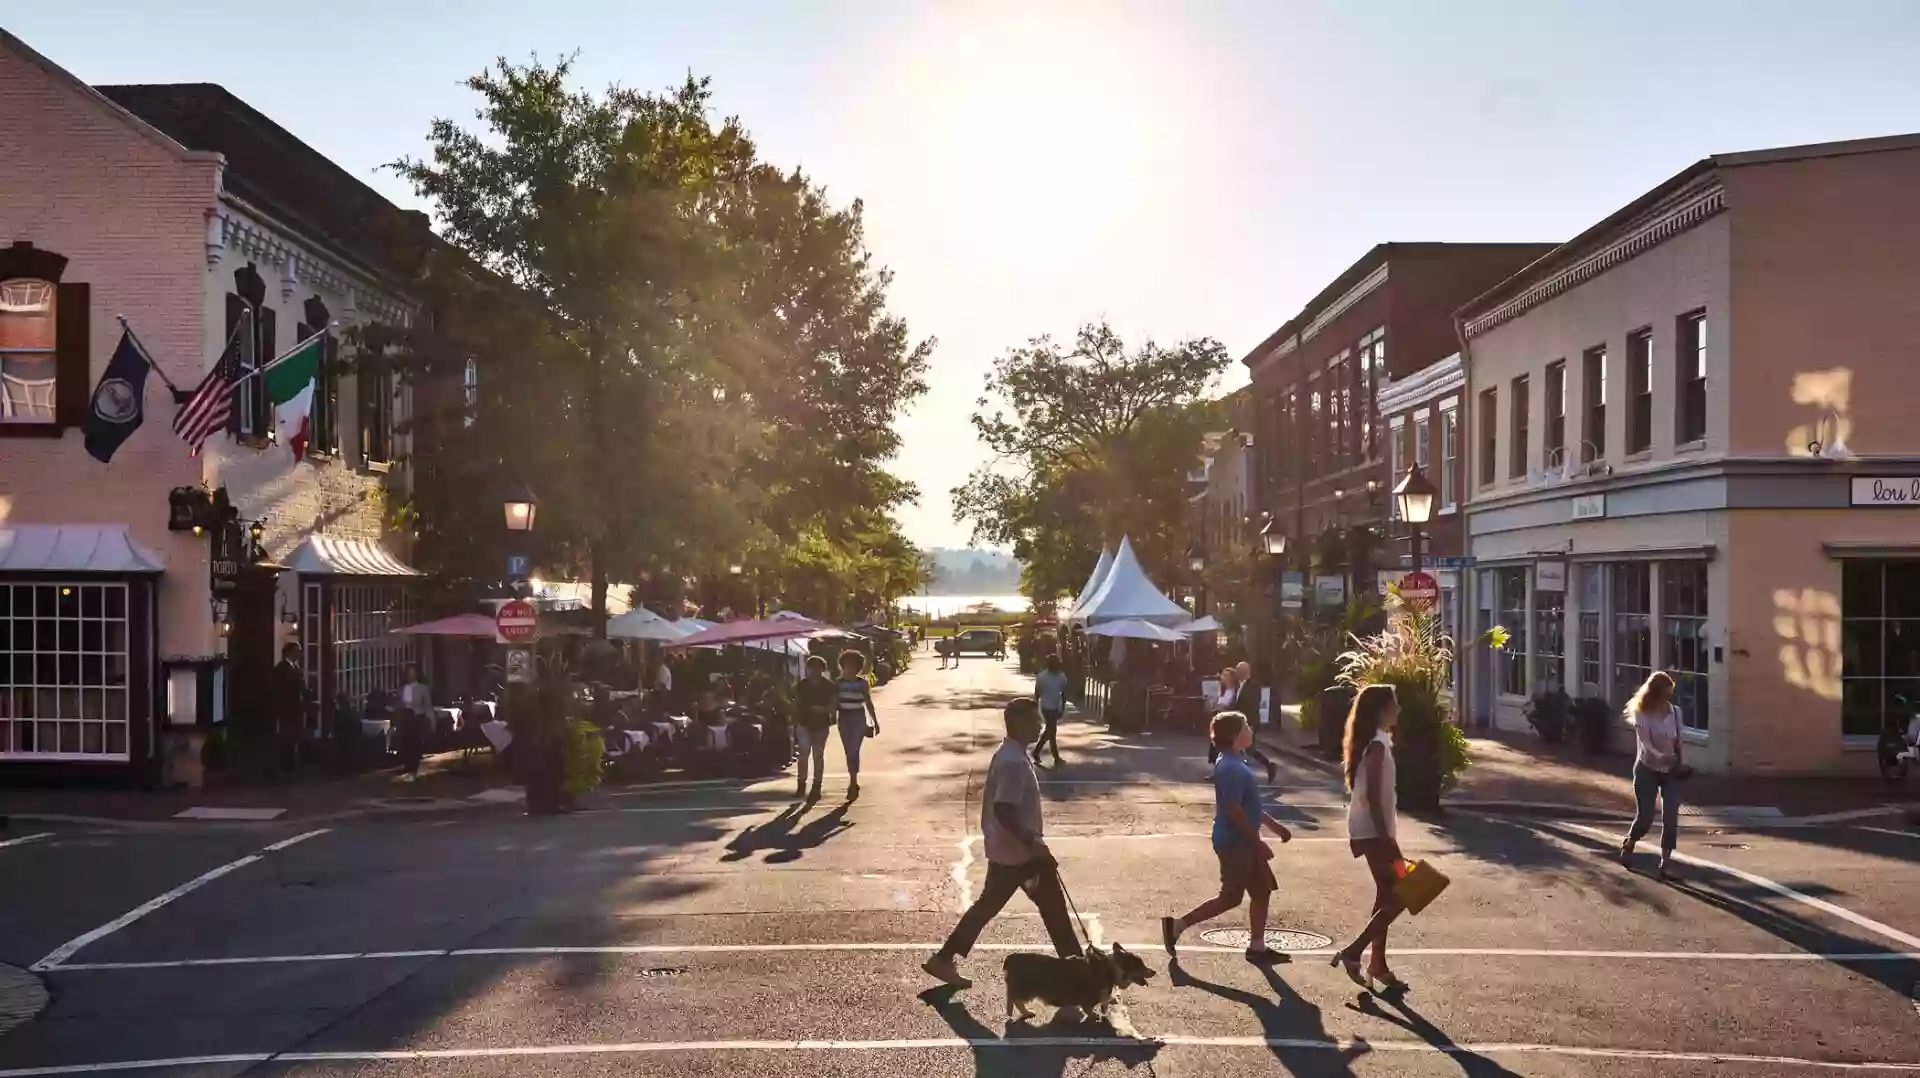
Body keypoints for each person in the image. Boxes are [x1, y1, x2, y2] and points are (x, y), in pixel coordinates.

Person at [923, 697, 1084, 999]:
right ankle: (1079, 979)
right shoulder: (1012, 762)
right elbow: (1004, 810)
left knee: (990, 907)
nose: (1040, 725)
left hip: (1008, 853)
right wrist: (1033, 843)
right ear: (1020, 723)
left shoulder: (1011, 753)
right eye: (1035, 720)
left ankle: (943, 959)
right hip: (1020, 855)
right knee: (1055, 913)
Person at [1162, 711, 1293, 965]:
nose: (1251, 730)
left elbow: (1248, 806)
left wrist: (1274, 826)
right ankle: (1178, 926)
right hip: (1235, 842)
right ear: (1235, 736)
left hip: (1242, 840)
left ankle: (1257, 947)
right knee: (1231, 896)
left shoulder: (1235, 761)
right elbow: (1233, 809)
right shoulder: (1231, 767)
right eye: (1246, 727)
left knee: (1261, 891)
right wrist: (1257, 843)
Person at [1330, 683, 1406, 992]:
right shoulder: (1376, 745)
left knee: (1387, 893)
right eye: (1394, 704)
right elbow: (1374, 796)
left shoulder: (1378, 741)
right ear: (1381, 710)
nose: (1398, 710)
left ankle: (1378, 963)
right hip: (1374, 831)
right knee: (1404, 891)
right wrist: (1388, 839)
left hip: (1373, 829)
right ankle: (1354, 952)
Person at [1620, 670, 1685, 879]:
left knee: (1671, 817)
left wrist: (1681, 761)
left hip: (1670, 771)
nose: (1668, 699)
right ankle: (1630, 842)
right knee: (1645, 817)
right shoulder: (1642, 712)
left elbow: (1679, 741)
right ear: (1654, 693)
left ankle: (1665, 863)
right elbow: (1645, 743)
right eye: (1664, 694)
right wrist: (1660, 755)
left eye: (1670, 694)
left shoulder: (1675, 712)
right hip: (1647, 769)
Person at [1206, 666, 1279, 783]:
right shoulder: (1239, 686)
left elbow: (1251, 706)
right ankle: (1222, 773)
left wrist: (1246, 723)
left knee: (1248, 748)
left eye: (1239, 671)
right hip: (1236, 721)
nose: (1237, 673)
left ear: (1245, 672)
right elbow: (1236, 704)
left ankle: (1267, 766)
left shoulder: (1253, 686)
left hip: (1247, 722)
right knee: (1231, 747)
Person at [835, 650, 880, 800]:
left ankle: (853, 783)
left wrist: (875, 721)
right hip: (844, 718)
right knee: (849, 751)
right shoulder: (838, 683)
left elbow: (868, 702)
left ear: (858, 667)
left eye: (853, 665)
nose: (850, 668)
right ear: (842, 665)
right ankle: (853, 779)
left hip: (858, 718)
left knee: (854, 750)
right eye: (847, 664)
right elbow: (834, 704)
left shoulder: (862, 683)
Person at [794, 655, 836, 801]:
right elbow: (797, 703)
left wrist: (823, 709)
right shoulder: (802, 685)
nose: (814, 671)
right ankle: (801, 784)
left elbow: (833, 705)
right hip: (804, 723)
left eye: (817, 668)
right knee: (803, 754)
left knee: (818, 756)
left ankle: (816, 786)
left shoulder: (829, 686)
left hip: (821, 725)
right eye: (811, 667)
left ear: (822, 669)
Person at [269, 642, 307, 778]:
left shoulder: (296, 667)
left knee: (293, 738)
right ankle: (281, 767)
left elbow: (300, 687)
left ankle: (290, 767)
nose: (299, 654)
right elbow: (279, 691)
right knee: (285, 738)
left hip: (296, 709)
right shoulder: (280, 669)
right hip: (286, 710)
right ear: (289, 652)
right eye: (297, 651)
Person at [1032, 653, 1069, 767]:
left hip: (1055, 706)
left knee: (1051, 732)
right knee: (1051, 730)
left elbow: (1063, 693)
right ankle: (1053, 756)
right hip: (1046, 706)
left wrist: (1062, 707)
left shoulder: (1061, 676)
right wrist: (1035, 705)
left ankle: (1039, 753)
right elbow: (1037, 692)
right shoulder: (1042, 677)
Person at [397, 663, 431, 783]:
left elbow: (427, 706)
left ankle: (414, 768)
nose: (410, 676)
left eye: (413, 673)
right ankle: (407, 766)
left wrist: (430, 720)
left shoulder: (423, 689)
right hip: (405, 718)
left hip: (417, 718)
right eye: (408, 673)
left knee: (415, 743)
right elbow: (399, 705)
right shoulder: (402, 689)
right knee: (405, 743)